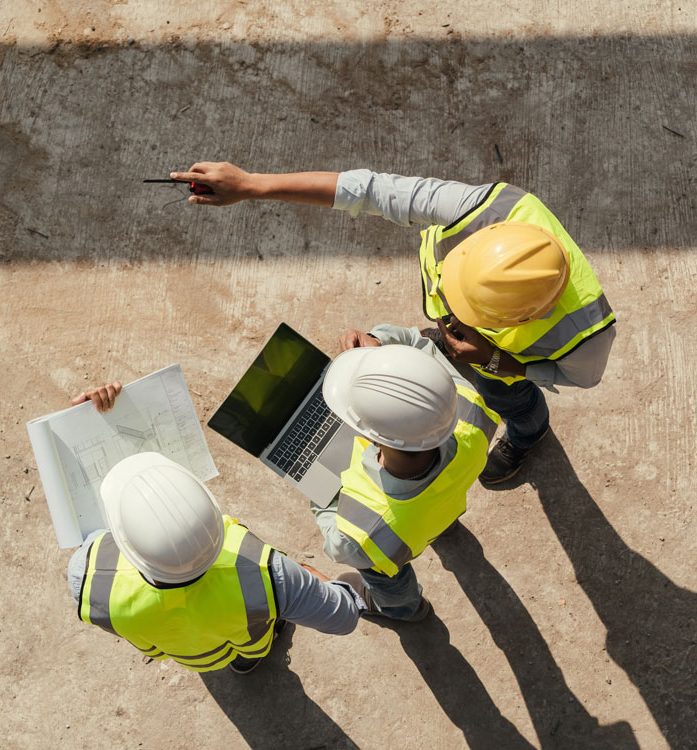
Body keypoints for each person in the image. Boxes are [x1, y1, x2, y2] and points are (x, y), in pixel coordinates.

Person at [169, 162, 616, 484]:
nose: (449, 312)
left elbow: (581, 379)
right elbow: (370, 190)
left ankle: (528, 433)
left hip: (500, 365)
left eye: (466, 311)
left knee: (513, 402)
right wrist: (252, 185)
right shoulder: (486, 208)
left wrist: (500, 363)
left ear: (524, 316)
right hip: (481, 349)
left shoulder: (587, 337)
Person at [67, 383, 366, 674]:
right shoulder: (270, 574)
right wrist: (301, 577)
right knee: (251, 644)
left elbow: (88, 528)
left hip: (187, 654)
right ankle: (248, 661)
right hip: (248, 640)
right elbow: (343, 616)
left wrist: (85, 424)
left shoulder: (86, 577)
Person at [311, 326, 500, 620]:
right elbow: (419, 346)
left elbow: (338, 546)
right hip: (439, 507)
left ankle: (404, 609)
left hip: (394, 542)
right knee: (434, 513)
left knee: (386, 577)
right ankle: (443, 529)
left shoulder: (362, 535)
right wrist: (380, 350)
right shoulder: (471, 411)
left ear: (369, 437)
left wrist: (317, 489)